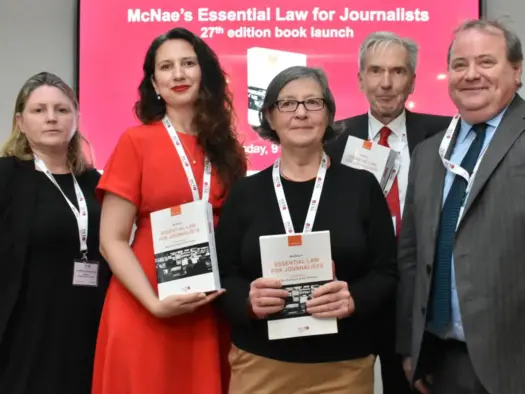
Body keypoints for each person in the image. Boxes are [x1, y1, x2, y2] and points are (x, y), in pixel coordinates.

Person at [215, 65, 397, 394]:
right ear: (270, 117)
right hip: (260, 366)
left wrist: (354, 298)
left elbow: (387, 271)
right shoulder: (245, 193)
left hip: (344, 367)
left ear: (328, 114)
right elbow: (224, 274)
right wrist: (247, 300)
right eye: (287, 103)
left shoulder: (361, 187)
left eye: (313, 102)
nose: (301, 113)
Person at [91, 27, 247, 394]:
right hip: (145, 306)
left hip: (209, 309)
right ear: (154, 83)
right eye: (166, 66)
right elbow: (110, 240)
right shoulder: (135, 142)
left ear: (204, 73)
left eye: (188, 63)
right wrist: (155, 303)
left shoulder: (229, 150)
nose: (178, 74)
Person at [397, 19, 525, 394]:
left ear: (516, 70)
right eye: (459, 65)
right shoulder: (428, 152)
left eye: (486, 62)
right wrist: (412, 348)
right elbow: (411, 256)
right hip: (445, 362)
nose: (471, 75)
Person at [325, 31, 452, 394]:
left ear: (412, 79)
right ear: (360, 78)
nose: (385, 83)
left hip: (419, 299)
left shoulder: (445, 135)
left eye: (397, 72)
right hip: (356, 296)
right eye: (376, 71)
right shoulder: (333, 140)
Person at [0, 72, 110, 394]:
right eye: (39, 110)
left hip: (87, 320)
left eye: (62, 110)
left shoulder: (95, 182)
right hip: (26, 329)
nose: (51, 118)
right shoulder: (6, 176)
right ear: (20, 121)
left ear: (76, 117)